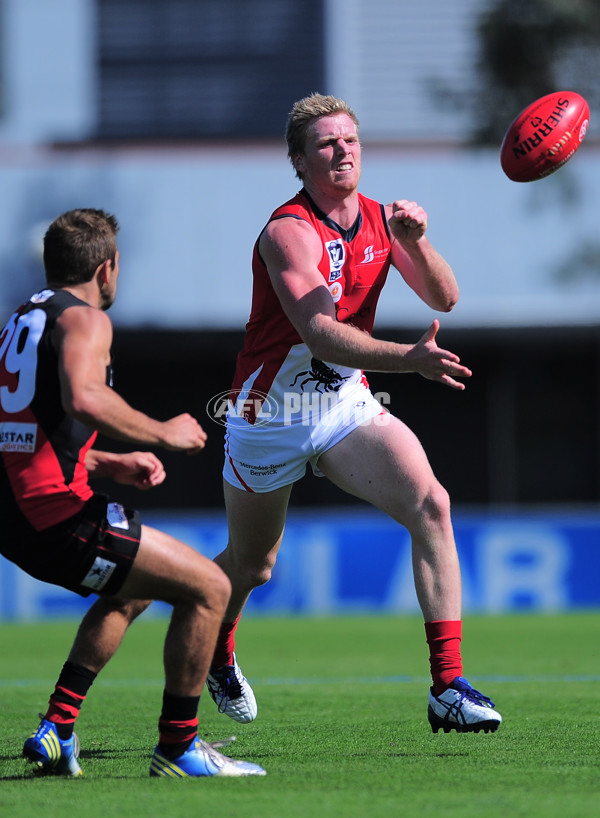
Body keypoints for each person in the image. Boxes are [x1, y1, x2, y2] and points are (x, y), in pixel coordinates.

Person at [204, 93, 502, 734]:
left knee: (433, 506)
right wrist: (410, 359)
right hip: (269, 414)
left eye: (350, 140)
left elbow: (445, 296)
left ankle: (447, 686)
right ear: (299, 160)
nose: (342, 151)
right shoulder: (288, 230)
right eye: (326, 144)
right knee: (254, 565)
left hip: (341, 404)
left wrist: (416, 244)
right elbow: (319, 334)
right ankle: (219, 649)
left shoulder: (380, 219)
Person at [0, 208, 265, 778]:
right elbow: (85, 399)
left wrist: (105, 461)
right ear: (107, 267)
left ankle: (57, 729)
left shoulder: (20, 319)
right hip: (56, 515)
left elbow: (18, 430)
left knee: (134, 590)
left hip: (17, 516)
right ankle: (179, 748)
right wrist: (162, 431)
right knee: (210, 587)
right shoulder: (86, 320)